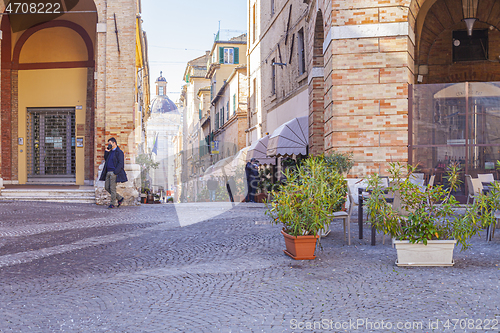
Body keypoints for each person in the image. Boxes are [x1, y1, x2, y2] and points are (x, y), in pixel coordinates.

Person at [99, 137, 128, 208]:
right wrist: (106, 151)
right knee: (106, 187)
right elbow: (106, 159)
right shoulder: (110, 152)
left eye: (110, 143)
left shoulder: (119, 152)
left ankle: (112, 204)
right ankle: (120, 198)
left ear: (114, 143)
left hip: (113, 173)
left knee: (112, 188)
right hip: (108, 172)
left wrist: (115, 172)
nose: (109, 145)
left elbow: (121, 164)